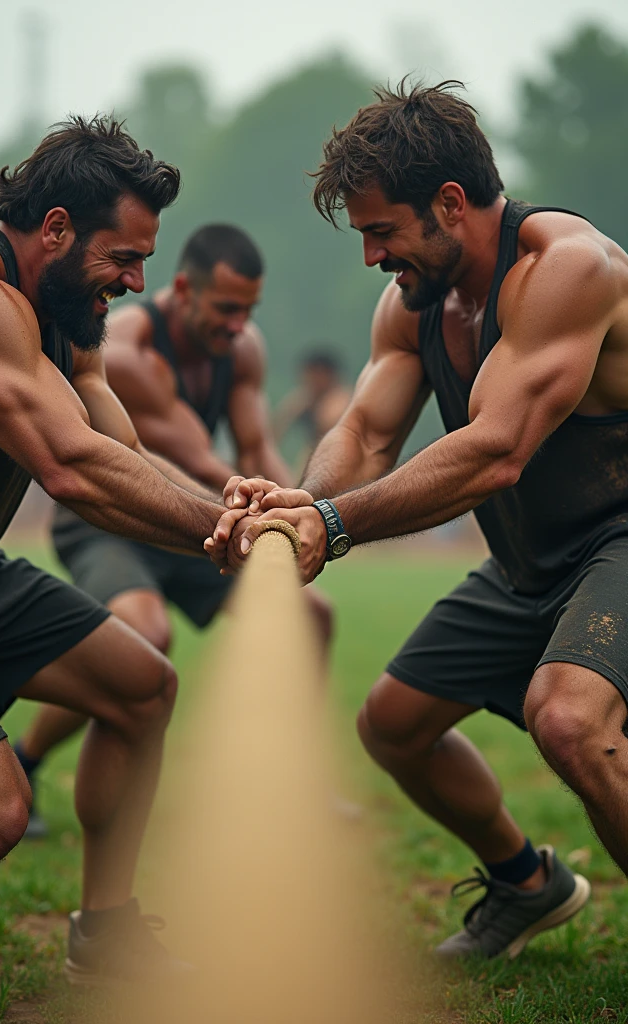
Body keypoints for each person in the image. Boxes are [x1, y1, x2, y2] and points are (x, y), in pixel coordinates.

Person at [208, 79, 628, 960]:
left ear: (449, 203)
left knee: (568, 721)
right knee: (393, 724)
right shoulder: (414, 301)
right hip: (528, 563)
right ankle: (525, 883)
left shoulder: (569, 268)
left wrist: (335, 521)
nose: (370, 256)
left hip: (618, 543)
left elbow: (496, 448)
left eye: (380, 231)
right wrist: (300, 509)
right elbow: (363, 432)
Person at [0, 115, 253, 985]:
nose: (140, 279)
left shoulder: (64, 306)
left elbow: (107, 437)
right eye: (125, 257)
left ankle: (107, 933)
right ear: (56, 230)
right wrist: (219, 530)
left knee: (140, 686)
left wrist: (225, 508)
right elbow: (72, 470)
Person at [13, 224, 333, 837]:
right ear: (184, 289)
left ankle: (288, 780)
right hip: (110, 524)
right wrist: (257, 511)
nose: (239, 324)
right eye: (226, 308)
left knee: (313, 617)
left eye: (249, 311)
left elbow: (255, 444)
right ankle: (28, 762)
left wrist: (297, 507)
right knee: (144, 632)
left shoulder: (244, 349)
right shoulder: (129, 350)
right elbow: (200, 460)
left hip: (199, 516)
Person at [273, 350, 351, 452]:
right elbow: (276, 429)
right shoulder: (303, 398)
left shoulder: (341, 399)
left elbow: (326, 428)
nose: (308, 380)